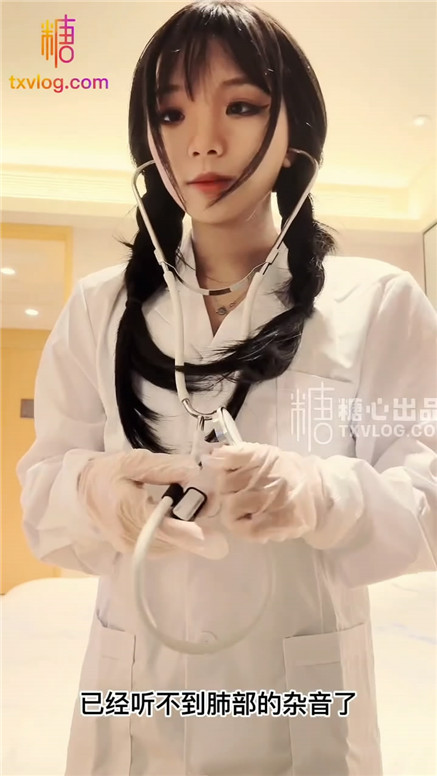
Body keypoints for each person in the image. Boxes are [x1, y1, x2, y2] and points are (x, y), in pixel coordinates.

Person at [16, 1, 436, 774]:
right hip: (135, 696)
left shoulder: (376, 301)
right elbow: (41, 500)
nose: (202, 141)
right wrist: (93, 490)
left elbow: (427, 499)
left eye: (240, 107)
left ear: (295, 131)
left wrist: (320, 494)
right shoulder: (99, 307)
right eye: (171, 114)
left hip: (297, 705)